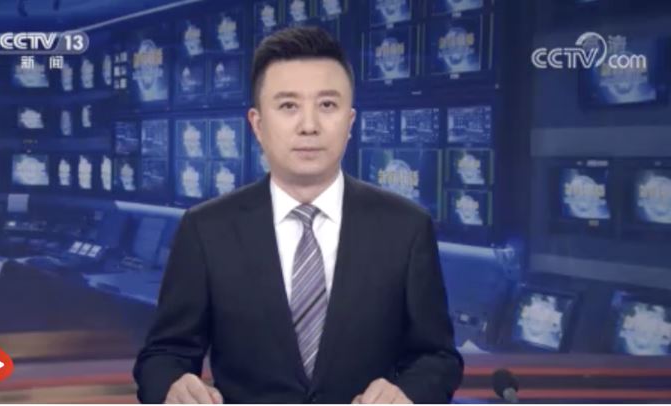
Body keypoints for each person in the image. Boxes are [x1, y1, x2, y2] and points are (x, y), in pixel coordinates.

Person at [134, 26, 463, 404]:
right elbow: (162, 355)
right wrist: (171, 385)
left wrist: (407, 393)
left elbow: (438, 357)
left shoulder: (406, 228)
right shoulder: (206, 229)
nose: (309, 126)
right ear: (258, 125)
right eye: (289, 106)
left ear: (350, 122)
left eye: (327, 105)